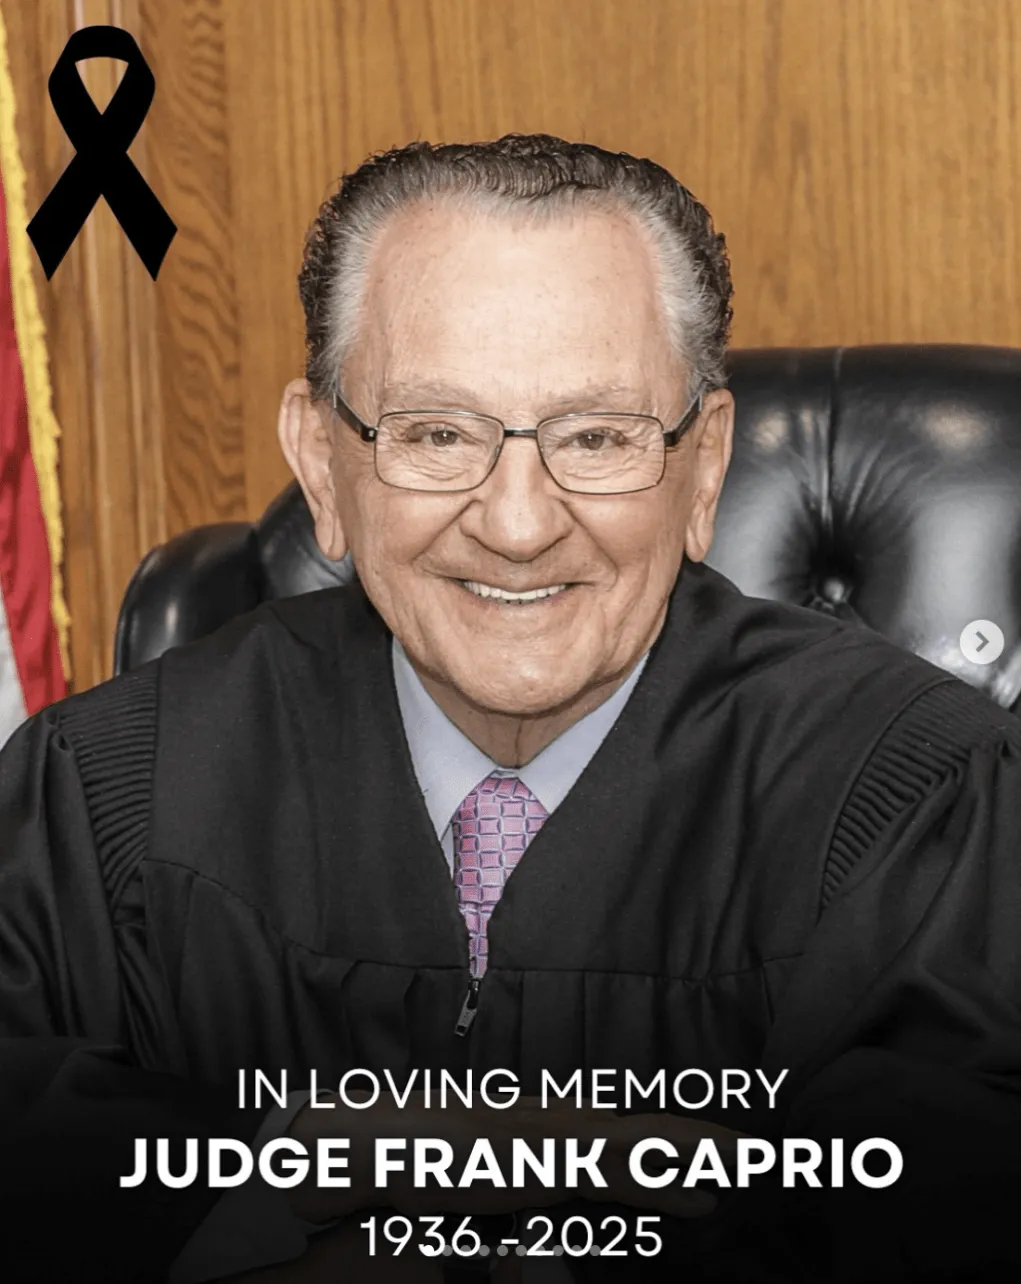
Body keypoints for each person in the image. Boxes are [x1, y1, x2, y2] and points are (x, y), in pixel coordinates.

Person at [1, 133, 1020, 1284]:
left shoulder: (919, 802)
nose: (519, 524)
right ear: (323, 466)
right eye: (437, 434)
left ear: (702, 469)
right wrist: (267, 1174)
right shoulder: (111, 794)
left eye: (596, 437)